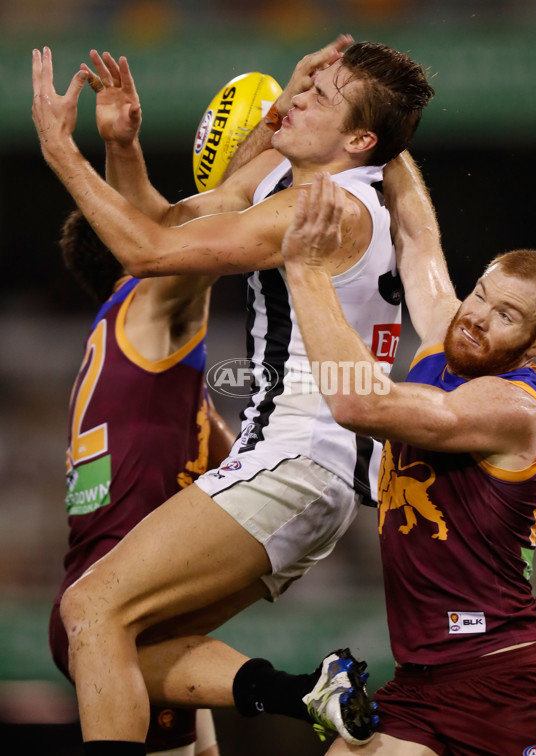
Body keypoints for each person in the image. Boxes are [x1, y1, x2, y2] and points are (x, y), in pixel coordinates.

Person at [32, 36, 434, 753]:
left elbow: (148, 253)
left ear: (358, 139)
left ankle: (307, 691)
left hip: (299, 460)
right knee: (132, 635)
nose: (298, 96)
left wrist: (61, 151)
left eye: (321, 94)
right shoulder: (317, 189)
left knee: (89, 605)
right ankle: (306, 691)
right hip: (310, 469)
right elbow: (194, 217)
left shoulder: (319, 206)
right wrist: (125, 151)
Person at [278, 163, 536, 755]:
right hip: (421, 682)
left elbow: (358, 402)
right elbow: (419, 239)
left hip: (506, 682)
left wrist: (305, 268)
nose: (476, 317)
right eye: (481, 294)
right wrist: (385, 131)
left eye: (506, 316)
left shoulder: (514, 408)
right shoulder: (454, 335)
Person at [49, 207, 235, 756]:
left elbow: (231, 460)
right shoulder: (145, 306)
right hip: (123, 609)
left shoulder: (116, 350)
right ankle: (299, 693)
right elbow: (219, 234)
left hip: (112, 593)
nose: (174, 227)